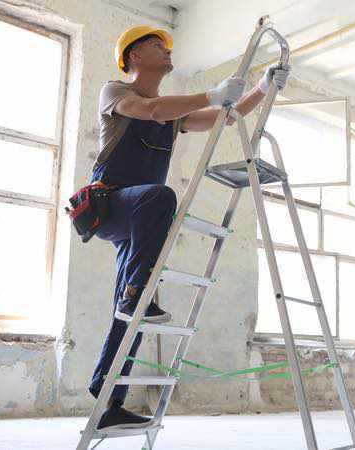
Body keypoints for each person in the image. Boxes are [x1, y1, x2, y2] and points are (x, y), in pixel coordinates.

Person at [88, 25, 289, 430]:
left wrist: (263, 89)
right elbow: (150, 111)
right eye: (156, 45)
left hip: (140, 218)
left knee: (133, 315)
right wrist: (212, 92)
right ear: (133, 57)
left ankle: (107, 400)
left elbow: (223, 119)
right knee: (160, 197)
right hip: (109, 206)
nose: (166, 50)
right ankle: (134, 292)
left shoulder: (172, 115)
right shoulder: (116, 92)